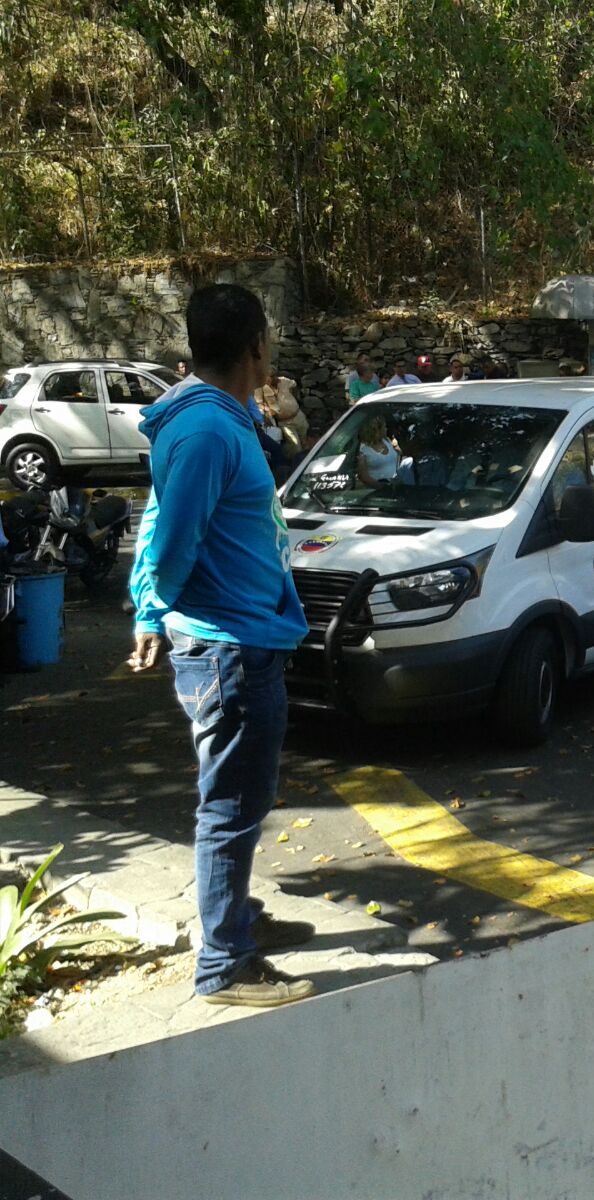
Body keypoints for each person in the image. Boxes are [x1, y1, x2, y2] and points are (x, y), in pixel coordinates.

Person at [126, 283, 314, 1008]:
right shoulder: (206, 429)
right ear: (256, 346)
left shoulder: (217, 417)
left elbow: (155, 518)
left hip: (239, 637)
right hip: (228, 647)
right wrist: (156, 607)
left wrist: (152, 611)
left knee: (240, 796)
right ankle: (225, 964)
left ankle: (235, 919)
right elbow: (171, 536)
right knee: (232, 804)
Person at [254, 371, 309, 457]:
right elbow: (258, 403)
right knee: (295, 445)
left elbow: (294, 385)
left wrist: (295, 399)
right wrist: (266, 408)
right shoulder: (260, 389)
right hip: (284, 422)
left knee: (306, 442)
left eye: (269, 376)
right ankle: (296, 464)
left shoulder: (283, 381)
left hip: (298, 415)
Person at [355, 414, 402, 487]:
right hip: (376, 490)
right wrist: (382, 486)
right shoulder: (363, 449)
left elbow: (399, 455)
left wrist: (396, 446)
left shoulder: (387, 440)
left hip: (395, 487)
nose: (386, 429)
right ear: (376, 430)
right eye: (384, 427)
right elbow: (364, 477)